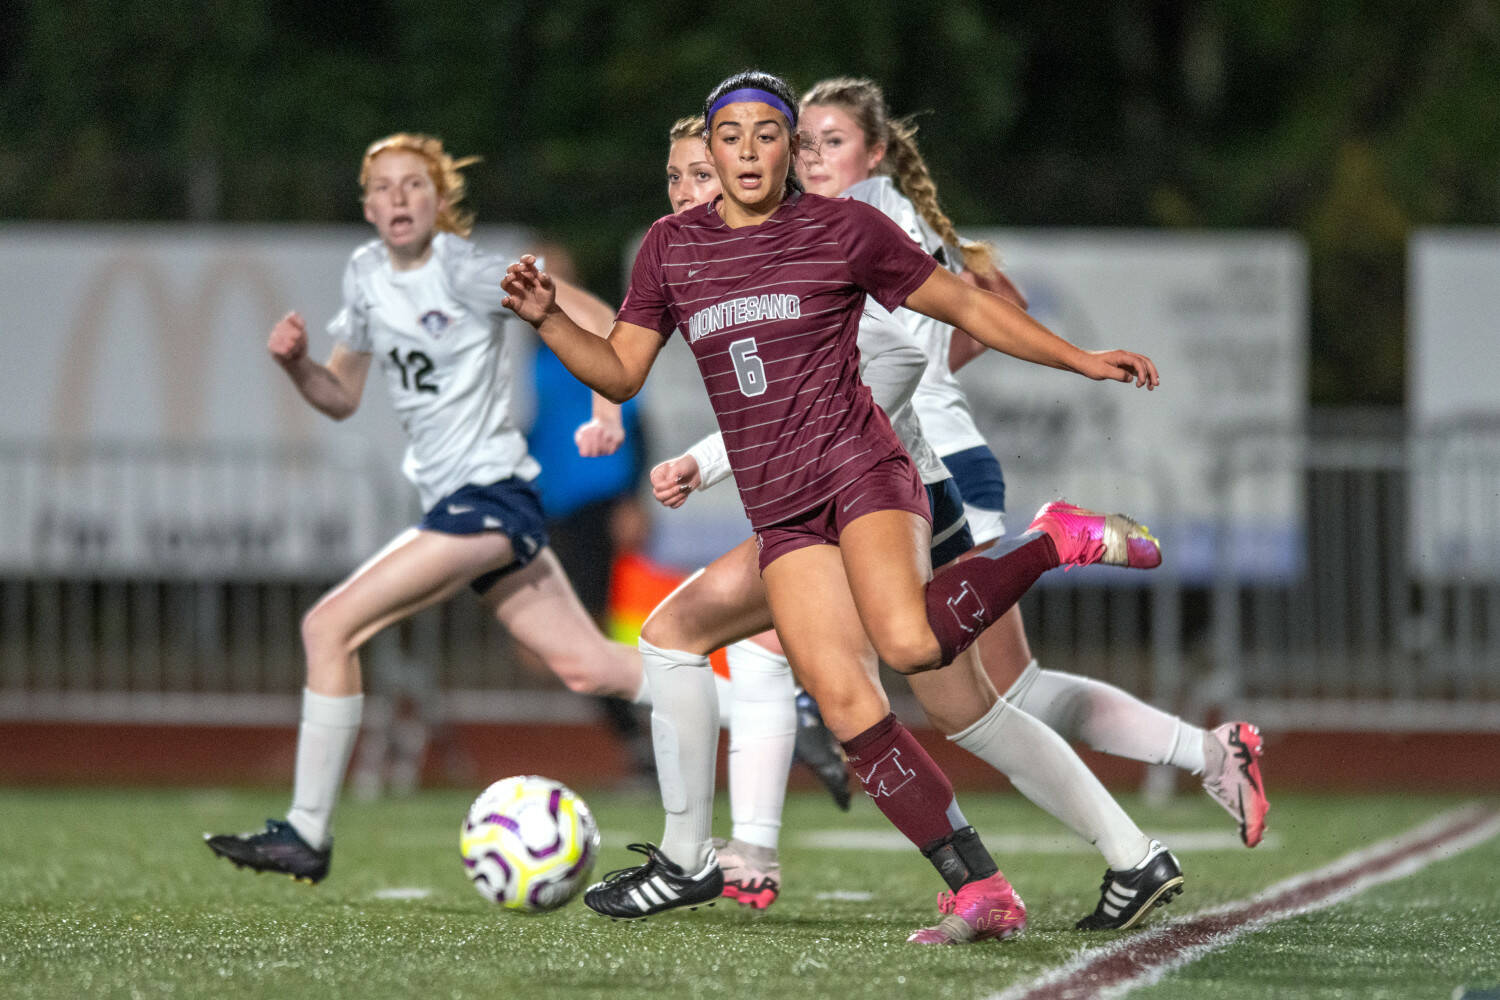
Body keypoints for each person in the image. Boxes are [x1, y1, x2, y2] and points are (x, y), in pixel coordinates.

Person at [501, 71, 1162, 944]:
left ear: (790, 150)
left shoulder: (842, 226)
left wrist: (1078, 358)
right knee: (848, 708)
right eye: (726, 137)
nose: (744, 152)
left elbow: (963, 302)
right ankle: (977, 889)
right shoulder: (670, 249)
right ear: (709, 143)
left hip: (864, 475)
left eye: (765, 136)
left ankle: (1051, 539)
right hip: (784, 515)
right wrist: (549, 319)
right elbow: (621, 372)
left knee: (911, 644)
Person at [796, 76, 1269, 864]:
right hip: (921, 455)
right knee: (996, 696)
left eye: (831, 141)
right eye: (804, 142)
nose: (811, 157)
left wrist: (925, 382)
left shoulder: (864, 215)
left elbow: (936, 330)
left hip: (917, 464)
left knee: (813, 630)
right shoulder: (875, 215)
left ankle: (748, 844)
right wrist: (935, 372)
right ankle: (1200, 766)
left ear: (874, 151)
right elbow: (986, 301)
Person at [203, 133, 659, 883]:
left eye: (412, 185)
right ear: (367, 205)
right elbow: (340, 397)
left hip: (491, 499)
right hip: (473, 502)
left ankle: (306, 834)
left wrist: (608, 406)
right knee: (590, 666)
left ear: (439, 200)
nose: (396, 199)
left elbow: (604, 318)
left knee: (328, 625)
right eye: (381, 188)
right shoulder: (365, 278)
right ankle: (768, 704)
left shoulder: (471, 271)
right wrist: (296, 367)